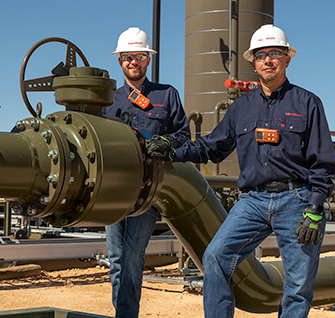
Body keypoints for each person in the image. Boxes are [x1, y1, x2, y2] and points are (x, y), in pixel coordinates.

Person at [149, 24, 335, 317]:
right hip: (253, 202)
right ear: (253, 62)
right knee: (215, 256)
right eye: (261, 55)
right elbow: (212, 147)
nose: (268, 60)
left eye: (275, 53)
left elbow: (323, 161)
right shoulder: (242, 108)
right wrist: (173, 150)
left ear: (287, 58)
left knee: (298, 287)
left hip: (297, 200)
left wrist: (315, 208)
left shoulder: (308, 103)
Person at [102, 27, 190, 318]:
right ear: (120, 61)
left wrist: (166, 142)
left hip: (148, 191)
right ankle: (123, 312)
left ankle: (126, 314)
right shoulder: (108, 100)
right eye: (128, 57)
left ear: (148, 60)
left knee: (132, 258)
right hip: (113, 190)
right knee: (116, 258)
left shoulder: (167, 95)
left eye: (139, 56)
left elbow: (183, 135)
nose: (133, 62)